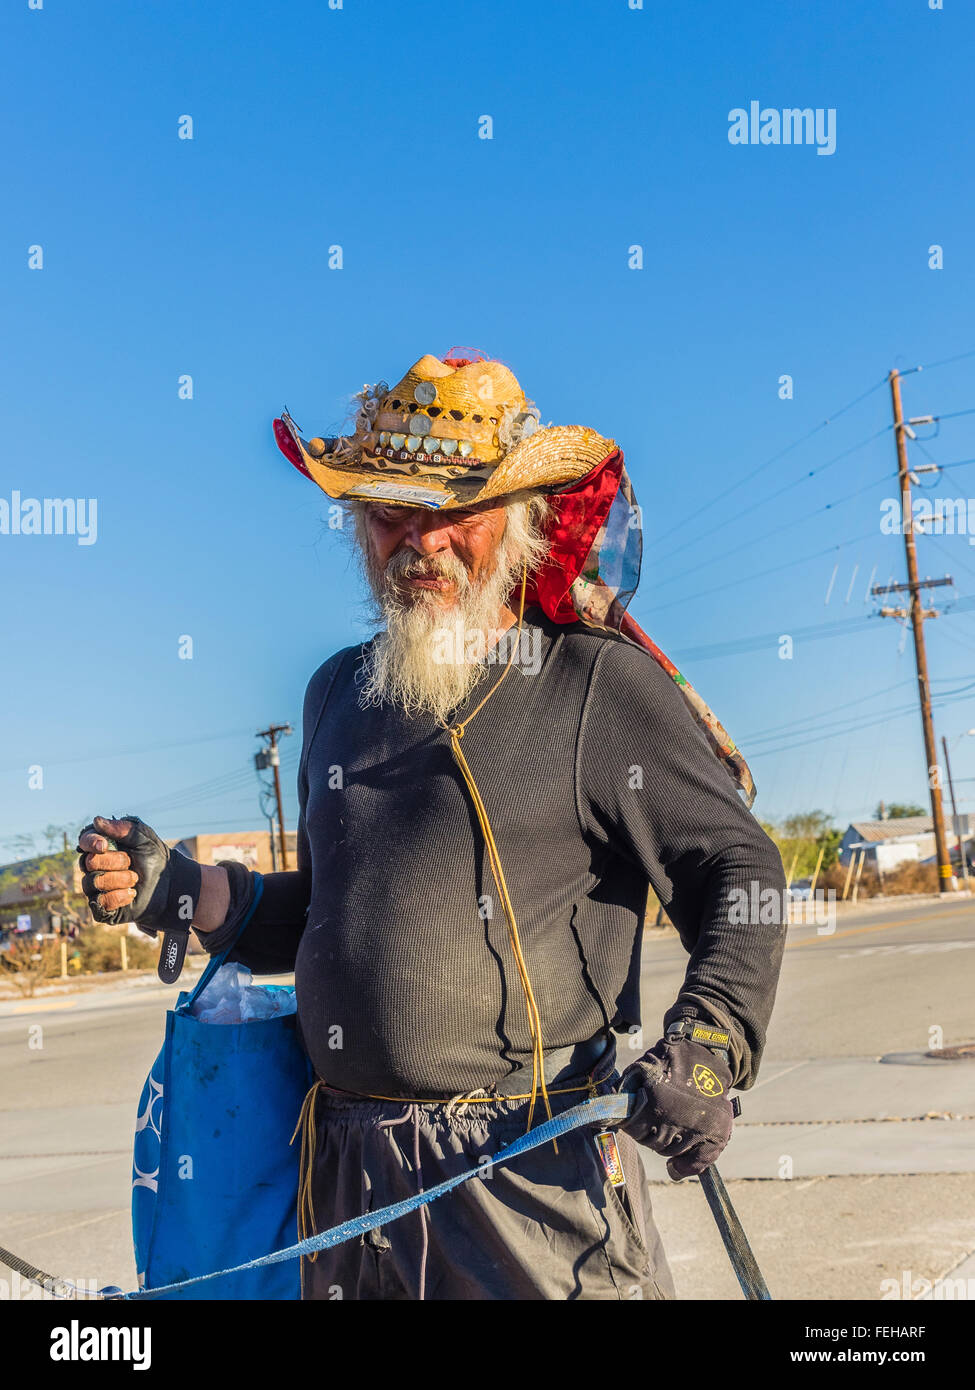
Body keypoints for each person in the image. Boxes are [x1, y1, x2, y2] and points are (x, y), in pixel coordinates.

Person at [78, 350, 787, 1301]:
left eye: (452, 511)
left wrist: (710, 1041)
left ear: (521, 522)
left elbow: (739, 868)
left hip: (528, 1175)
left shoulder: (593, 683)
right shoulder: (337, 690)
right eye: (386, 514)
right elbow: (342, 909)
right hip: (343, 1174)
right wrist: (185, 889)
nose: (418, 542)